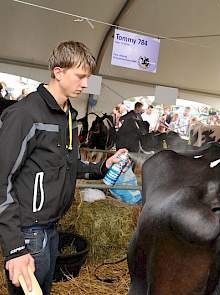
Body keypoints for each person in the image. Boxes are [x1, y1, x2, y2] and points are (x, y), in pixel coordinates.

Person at [0, 41, 127, 295]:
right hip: (28, 233)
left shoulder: (68, 115)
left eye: (87, 77)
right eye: (80, 76)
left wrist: (102, 166)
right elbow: (2, 180)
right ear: (58, 72)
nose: (85, 84)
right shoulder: (25, 115)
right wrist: (15, 248)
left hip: (51, 230)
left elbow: (67, 164)